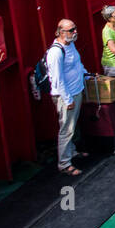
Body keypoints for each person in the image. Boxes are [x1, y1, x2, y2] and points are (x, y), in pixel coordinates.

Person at [45, 20, 87, 176]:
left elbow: (77, 64)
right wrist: (68, 99)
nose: (75, 32)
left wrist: (86, 75)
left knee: (72, 125)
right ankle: (64, 163)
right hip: (66, 96)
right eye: (71, 30)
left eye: (75, 29)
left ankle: (72, 152)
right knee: (66, 130)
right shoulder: (55, 53)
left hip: (77, 91)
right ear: (60, 32)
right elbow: (57, 79)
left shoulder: (71, 45)